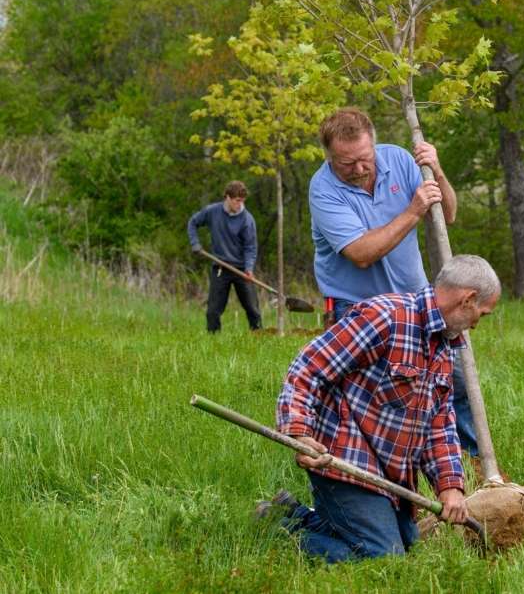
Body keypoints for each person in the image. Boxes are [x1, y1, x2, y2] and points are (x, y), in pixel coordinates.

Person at [261, 255, 501, 563]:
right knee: (384, 558)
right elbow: (308, 367)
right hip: (342, 459)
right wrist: (298, 432)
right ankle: (280, 530)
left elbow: (439, 425)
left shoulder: (443, 346)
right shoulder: (386, 317)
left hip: (389, 476)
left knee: (409, 547)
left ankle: (290, 513)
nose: (477, 324)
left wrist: (449, 486)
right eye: (482, 313)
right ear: (467, 300)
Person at [308, 107, 479, 455]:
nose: (358, 169)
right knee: (370, 397)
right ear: (329, 157)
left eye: (364, 158)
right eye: (346, 163)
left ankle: (473, 464)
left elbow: (447, 214)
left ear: (374, 144)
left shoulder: (399, 160)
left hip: (416, 300)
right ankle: (372, 470)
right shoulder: (323, 189)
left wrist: (438, 171)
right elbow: (361, 252)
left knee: (453, 381)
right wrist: (412, 211)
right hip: (358, 308)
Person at [187, 180, 261, 333]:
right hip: (220, 267)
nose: (239, 204)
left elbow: (250, 248)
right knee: (213, 311)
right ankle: (213, 341)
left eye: (242, 201)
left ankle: (259, 336)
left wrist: (249, 268)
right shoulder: (212, 212)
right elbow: (193, 223)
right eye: (237, 200)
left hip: (241, 269)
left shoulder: (247, 220)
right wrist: (195, 243)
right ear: (227, 197)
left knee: (253, 310)